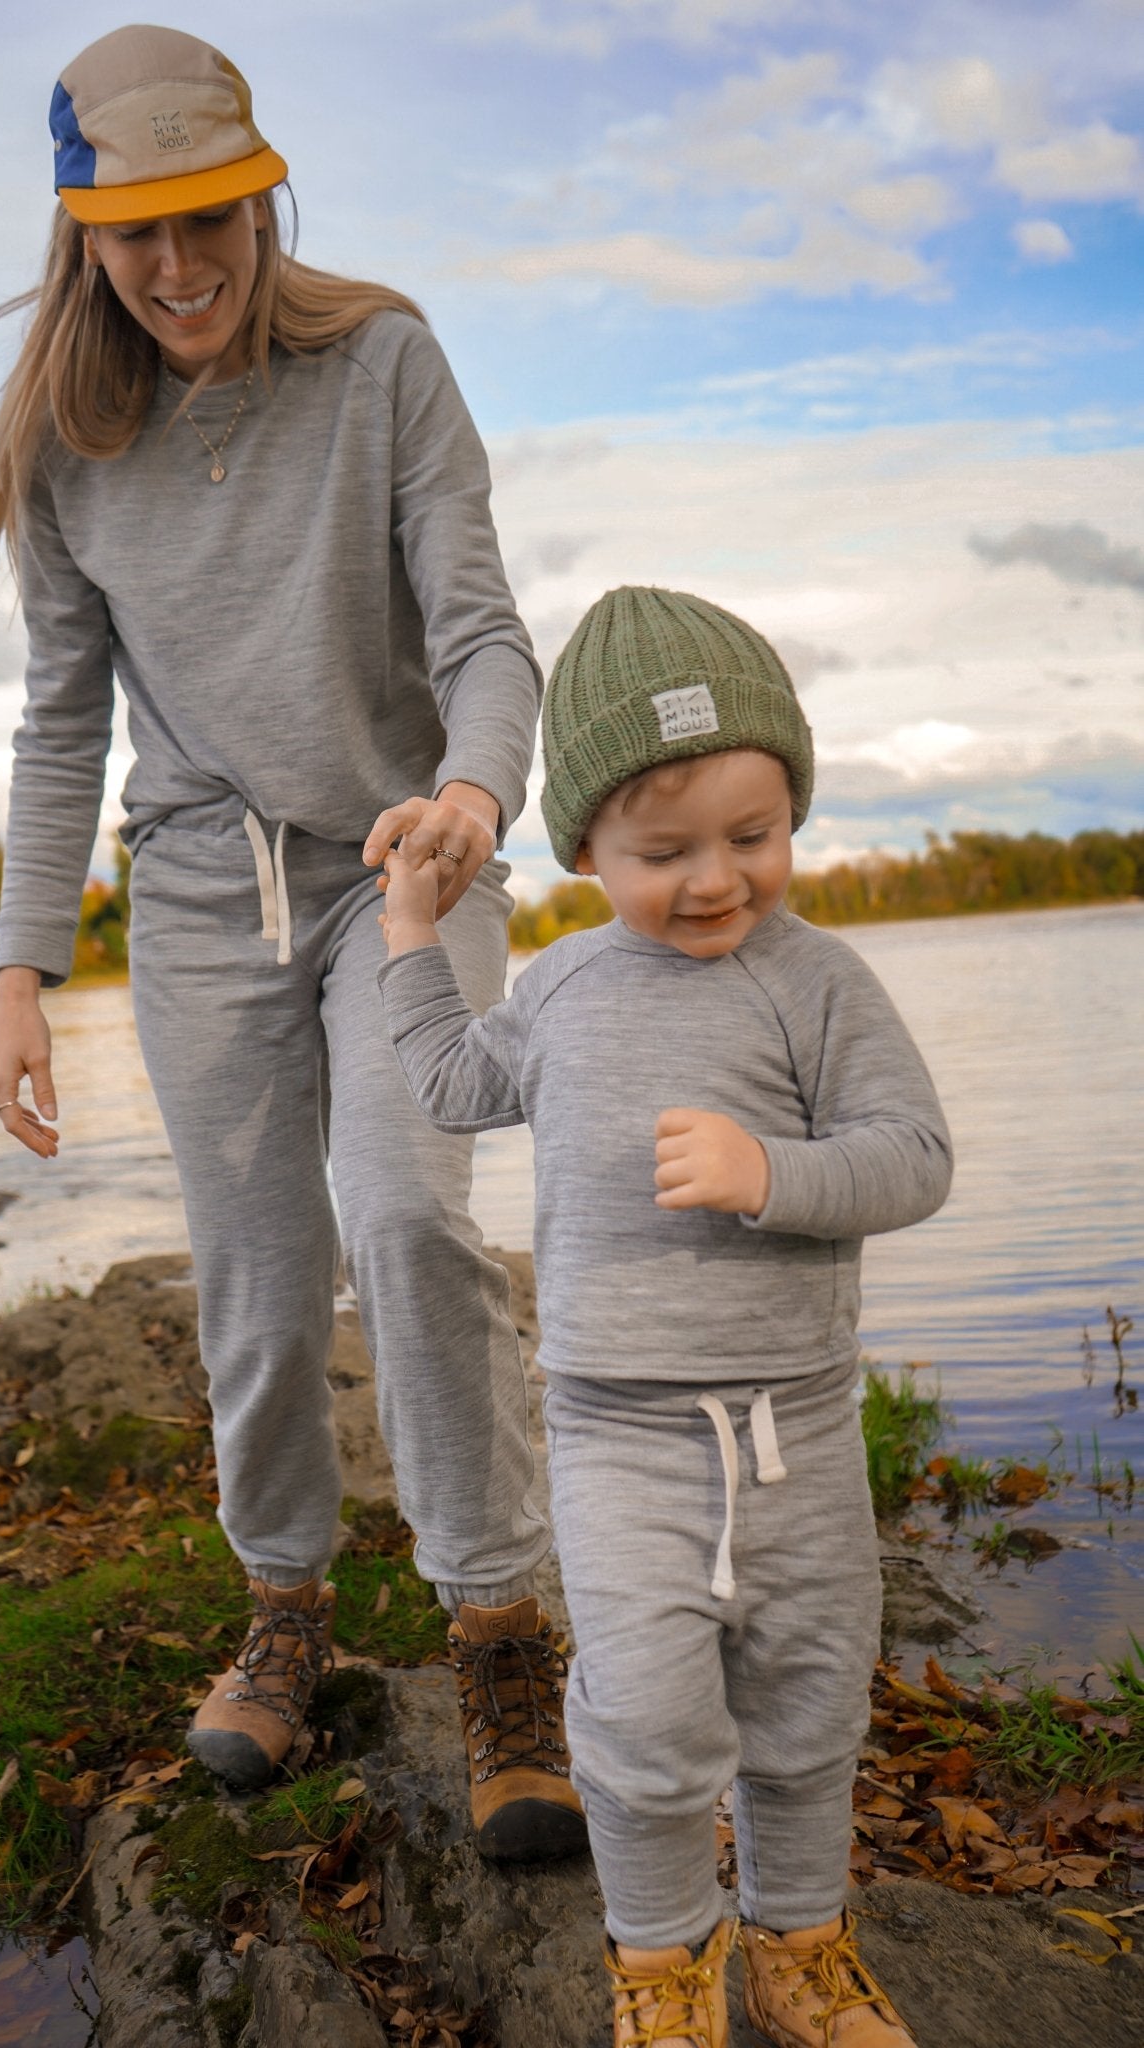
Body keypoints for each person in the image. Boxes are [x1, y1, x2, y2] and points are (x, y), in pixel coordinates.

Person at [0, 22, 585, 1862]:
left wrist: (470, 800)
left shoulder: (384, 359)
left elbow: (484, 632)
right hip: (207, 893)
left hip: (407, 870)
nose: (179, 263)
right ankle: (285, 1608)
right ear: (80, 234)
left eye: (207, 213)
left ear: (259, 190)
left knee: (406, 1217)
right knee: (256, 1271)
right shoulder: (67, 440)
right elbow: (64, 723)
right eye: (131, 230)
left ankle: (498, 1630)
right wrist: (17, 980)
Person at [378, 585, 954, 2047]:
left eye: (751, 837)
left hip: (799, 1427)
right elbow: (448, 1085)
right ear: (582, 851)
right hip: (616, 1432)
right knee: (638, 1723)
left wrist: (775, 1174)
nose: (715, 881)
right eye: (663, 851)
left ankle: (797, 1947)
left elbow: (914, 1157)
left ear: (791, 811)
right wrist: (407, 935)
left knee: (812, 1700)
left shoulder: (817, 985)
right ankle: (659, 1969)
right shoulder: (561, 985)